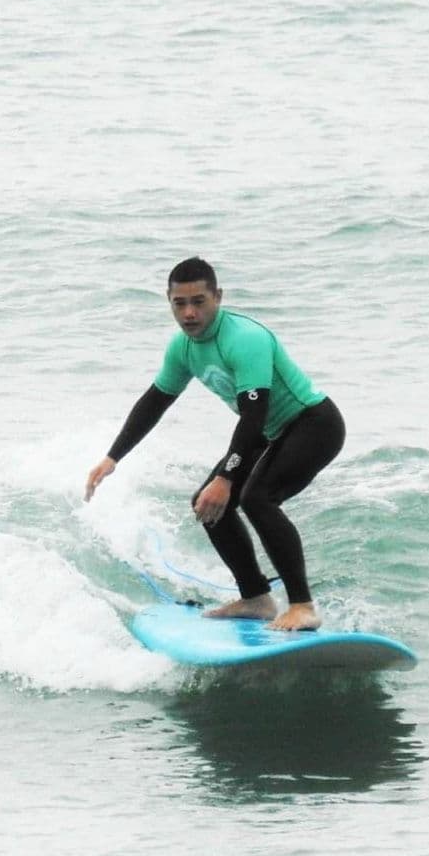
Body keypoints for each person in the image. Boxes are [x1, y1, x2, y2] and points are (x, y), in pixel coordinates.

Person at [84, 257, 344, 631]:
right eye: (180, 303)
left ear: (218, 297)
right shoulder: (183, 347)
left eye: (199, 301)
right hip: (272, 432)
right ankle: (256, 598)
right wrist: (113, 457)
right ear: (169, 301)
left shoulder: (245, 339)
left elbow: (253, 416)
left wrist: (226, 478)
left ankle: (302, 605)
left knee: (256, 497)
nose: (189, 313)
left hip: (314, 424)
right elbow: (155, 401)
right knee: (207, 504)